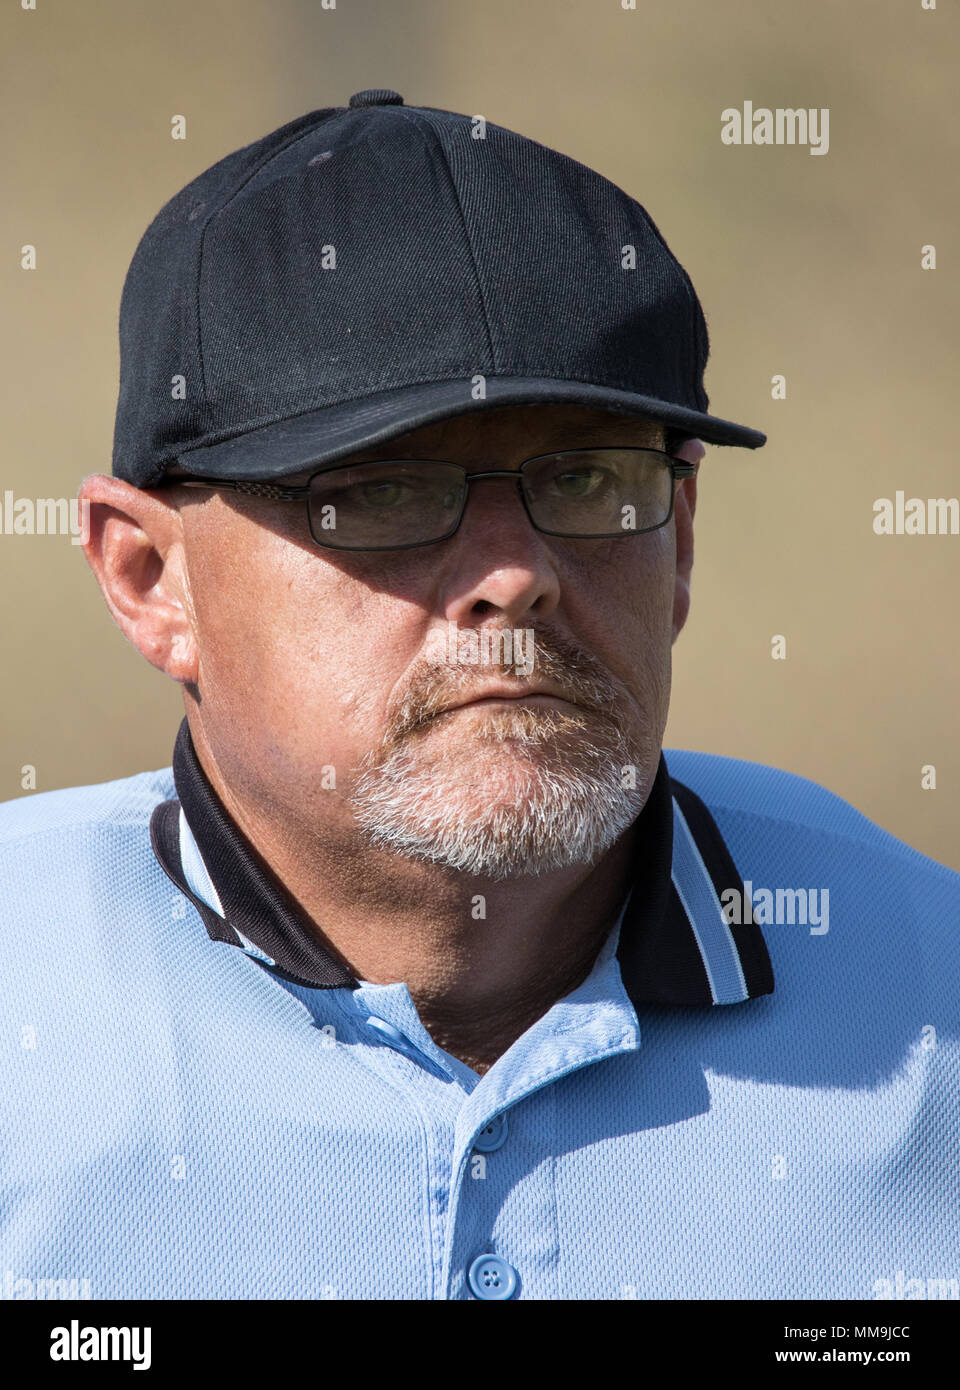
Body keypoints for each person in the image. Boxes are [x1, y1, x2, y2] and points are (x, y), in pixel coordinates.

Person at [2, 89, 957, 1303]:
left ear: (683, 536)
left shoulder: (929, 1008)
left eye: (587, 477)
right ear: (150, 577)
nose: (517, 576)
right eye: (385, 492)